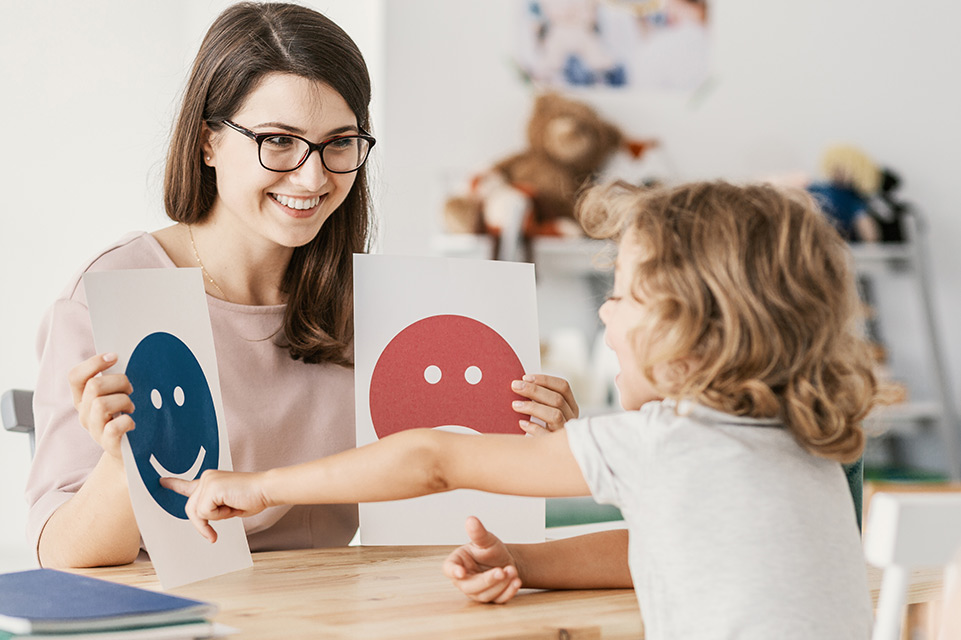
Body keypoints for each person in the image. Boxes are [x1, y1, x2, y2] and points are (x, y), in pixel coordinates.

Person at [165, 179, 888, 638]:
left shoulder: (662, 442)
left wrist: (259, 486)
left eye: (623, 294)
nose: (605, 314)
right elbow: (666, 547)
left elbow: (432, 457)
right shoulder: (806, 446)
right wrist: (521, 559)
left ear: (697, 333)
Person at [26, 1, 576, 570]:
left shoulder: (381, 307)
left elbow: (442, 498)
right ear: (207, 141)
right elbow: (62, 555)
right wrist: (124, 462)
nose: (313, 177)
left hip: (329, 608)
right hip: (176, 614)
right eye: (279, 141)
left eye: (339, 142)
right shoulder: (112, 292)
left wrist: (543, 444)